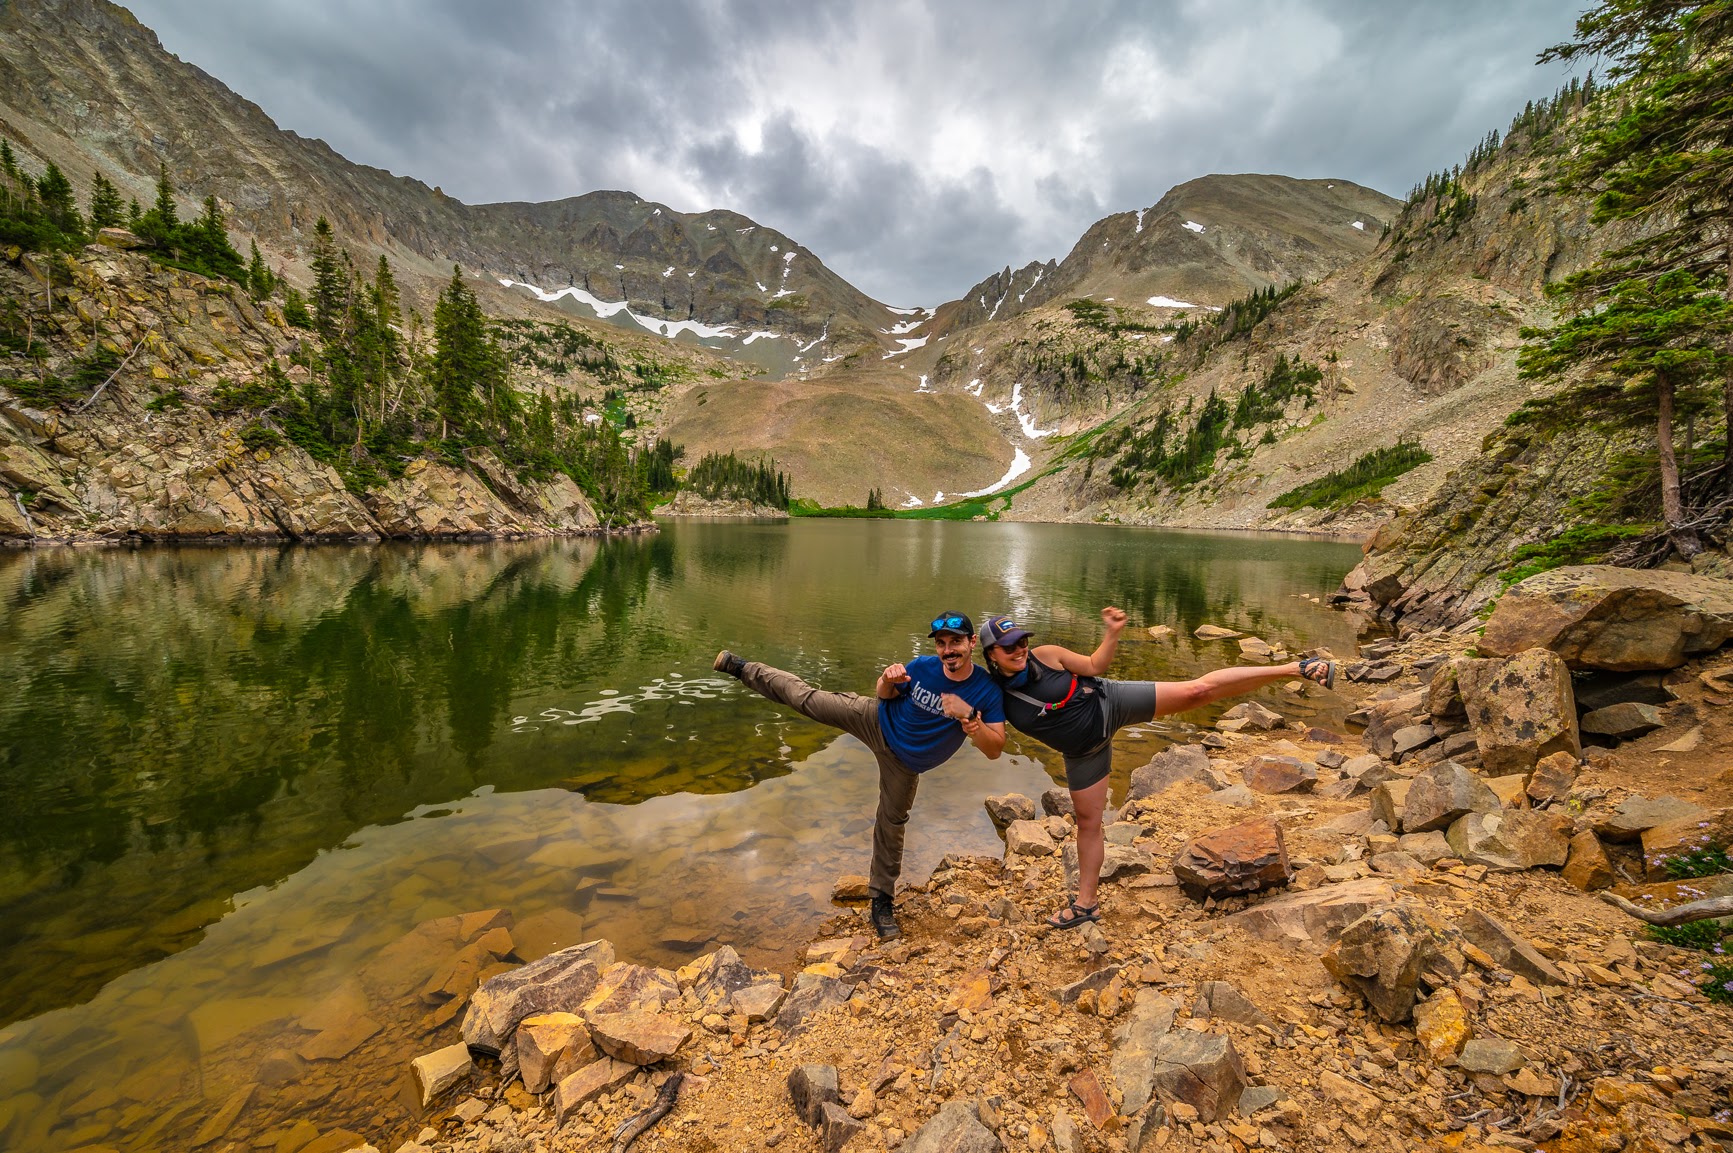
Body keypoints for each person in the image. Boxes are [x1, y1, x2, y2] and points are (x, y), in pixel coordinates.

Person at [977, 607, 1335, 929]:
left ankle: (1297, 668)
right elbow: (991, 743)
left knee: (1198, 691)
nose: (1020, 649)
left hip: (1110, 702)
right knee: (1088, 824)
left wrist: (1112, 633)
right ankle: (1086, 904)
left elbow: (1094, 667)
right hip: (1084, 752)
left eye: (1022, 641)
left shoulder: (1047, 656)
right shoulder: (995, 697)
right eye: (1010, 646)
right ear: (992, 655)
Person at [713, 611, 1006, 940]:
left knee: (891, 823)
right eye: (942, 644)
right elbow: (883, 694)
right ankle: (742, 668)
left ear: (970, 644)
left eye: (956, 642)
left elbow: (994, 749)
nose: (948, 650)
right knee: (806, 699)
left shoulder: (985, 690)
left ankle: (881, 901)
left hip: (905, 763)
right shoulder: (921, 667)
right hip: (874, 719)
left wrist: (969, 718)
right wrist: (887, 679)